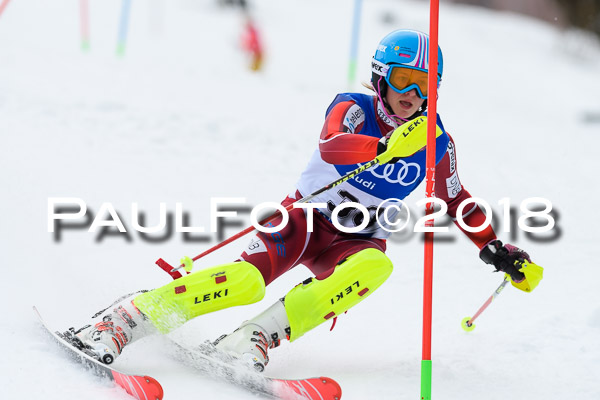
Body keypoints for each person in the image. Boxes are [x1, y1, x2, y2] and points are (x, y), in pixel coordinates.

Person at [68, 29, 543, 371]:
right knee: (247, 282)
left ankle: (252, 339)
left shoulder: (437, 140)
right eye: (402, 81)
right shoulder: (352, 108)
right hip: (306, 218)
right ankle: (124, 320)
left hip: (356, 239)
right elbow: (332, 144)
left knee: (376, 266)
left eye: (425, 86)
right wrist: (380, 148)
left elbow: (458, 199)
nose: (412, 96)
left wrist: (494, 249)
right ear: (381, 77)